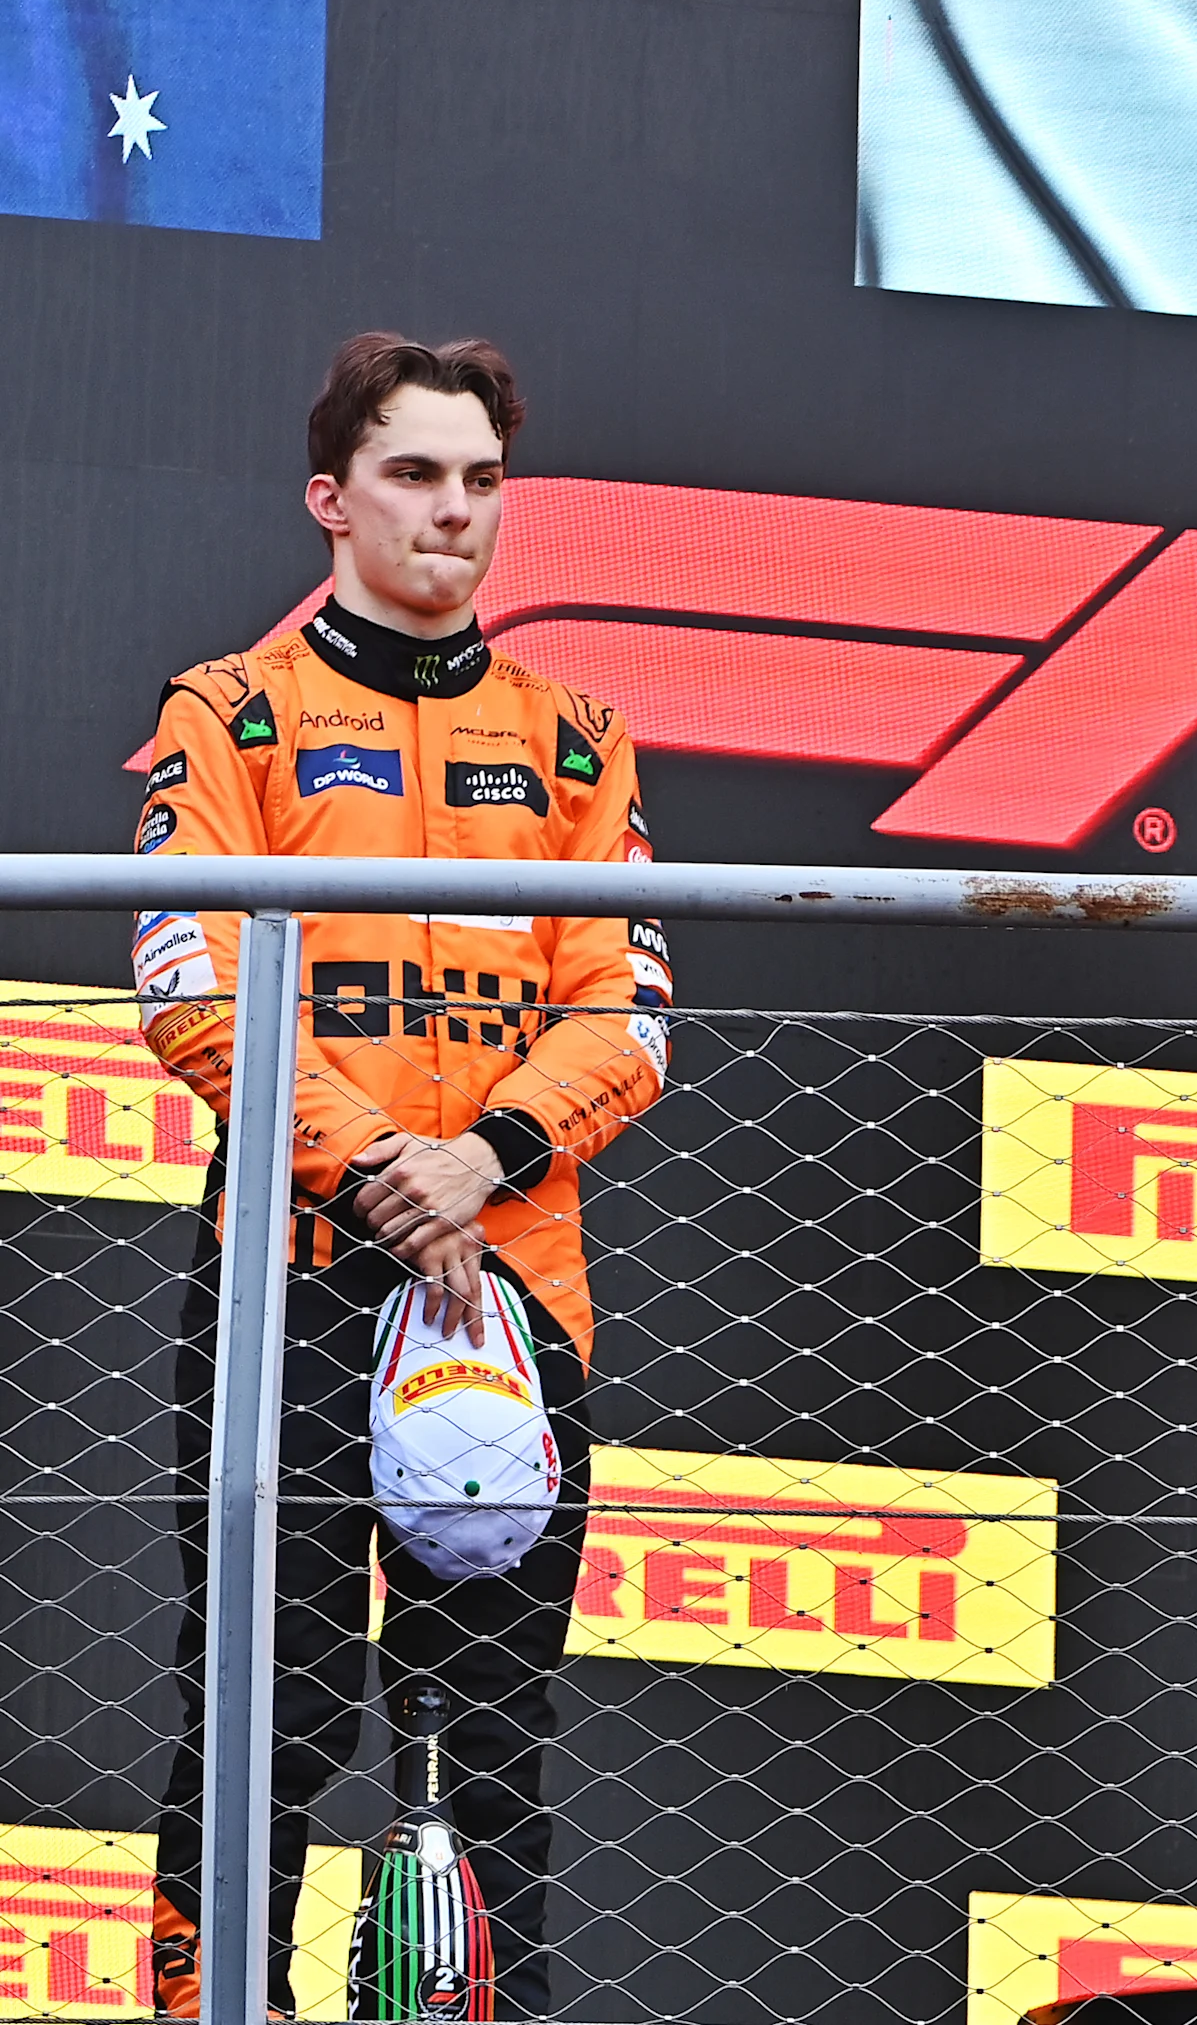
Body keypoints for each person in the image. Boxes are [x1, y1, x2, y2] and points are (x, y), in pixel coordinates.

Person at [139, 333, 673, 2019]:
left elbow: (633, 1009)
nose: (456, 513)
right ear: (331, 500)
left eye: (483, 482)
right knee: (268, 1701)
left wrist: (483, 1158)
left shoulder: (578, 742)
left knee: (493, 1736)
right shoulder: (231, 713)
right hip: (292, 1270)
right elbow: (188, 983)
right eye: (416, 475)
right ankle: (205, 1999)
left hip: (514, 1292)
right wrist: (382, 1165)